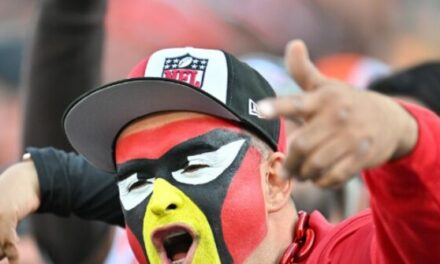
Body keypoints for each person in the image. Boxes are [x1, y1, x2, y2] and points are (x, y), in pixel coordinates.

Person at [0, 41, 439, 263]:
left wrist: (406, 136)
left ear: (275, 182)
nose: (159, 201)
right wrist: (41, 173)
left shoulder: (355, 252)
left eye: (193, 162)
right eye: (136, 180)